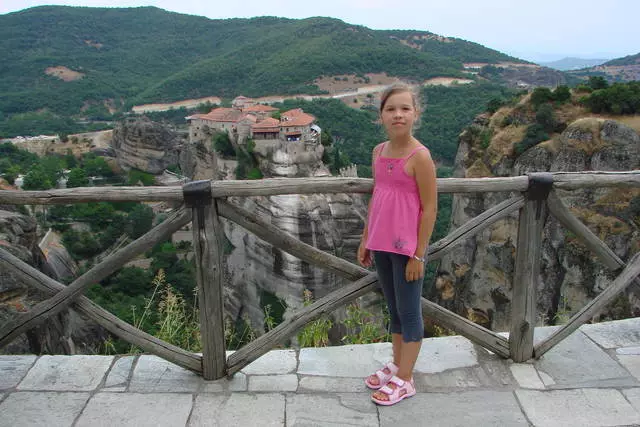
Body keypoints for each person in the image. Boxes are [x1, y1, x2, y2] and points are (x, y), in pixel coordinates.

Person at [357, 83, 437, 406]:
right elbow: (377, 199)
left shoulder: (421, 157)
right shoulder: (378, 152)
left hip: (407, 250)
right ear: (381, 116)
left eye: (405, 108)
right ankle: (396, 362)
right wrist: (366, 239)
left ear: (415, 113)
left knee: (409, 310)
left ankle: (406, 378)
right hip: (381, 245)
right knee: (393, 309)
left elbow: (430, 208)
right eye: (391, 109)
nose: (398, 115)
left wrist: (419, 253)